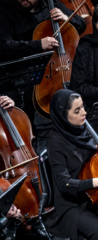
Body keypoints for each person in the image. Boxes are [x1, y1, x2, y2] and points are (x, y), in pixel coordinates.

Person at [0, 0, 86, 154]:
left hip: (56, 73)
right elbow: (5, 46)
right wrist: (38, 44)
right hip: (22, 80)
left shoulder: (51, 4)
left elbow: (81, 25)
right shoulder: (6, 11)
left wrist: (67, 19)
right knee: (36, 131)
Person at [46, 89, 98, 240]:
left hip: (91, 196)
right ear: (63, 115)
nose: (84, 113)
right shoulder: (55, 142)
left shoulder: (83, 129)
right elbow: (63, 183)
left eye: (83, 107)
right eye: (77, 110)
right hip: (71, 204)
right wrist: (97, 181)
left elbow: (89, 163)